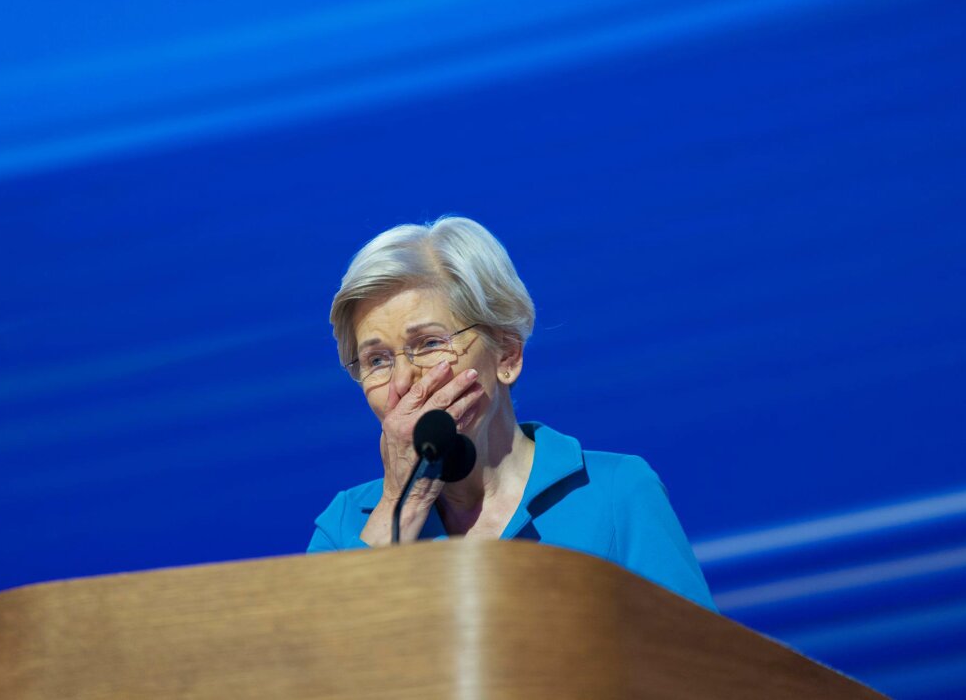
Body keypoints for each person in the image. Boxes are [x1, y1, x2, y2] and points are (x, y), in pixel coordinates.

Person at [307, 216, 716, 611]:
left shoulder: (616, 493)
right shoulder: (346, 525)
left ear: (507, 354)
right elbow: (311, 671)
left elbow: (700, 669)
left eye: (430, 344)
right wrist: (403, 502)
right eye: (376, 360)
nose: (402, 381)